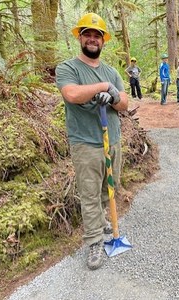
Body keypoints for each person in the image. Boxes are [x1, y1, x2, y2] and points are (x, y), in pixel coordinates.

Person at [55, 13, 129, 270]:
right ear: (80, 37)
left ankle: (102, 221)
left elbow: (124, 103)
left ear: (103, 41)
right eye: (87, 34)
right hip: (86, 143)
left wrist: (113, 97)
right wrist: (103, 87)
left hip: (113, 140)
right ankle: (95, 241)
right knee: (89, 193)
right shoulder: (69, 68)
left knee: (109, 187)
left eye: (97, 35)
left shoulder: (111, 71)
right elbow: (72, 94)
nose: (92, 39)